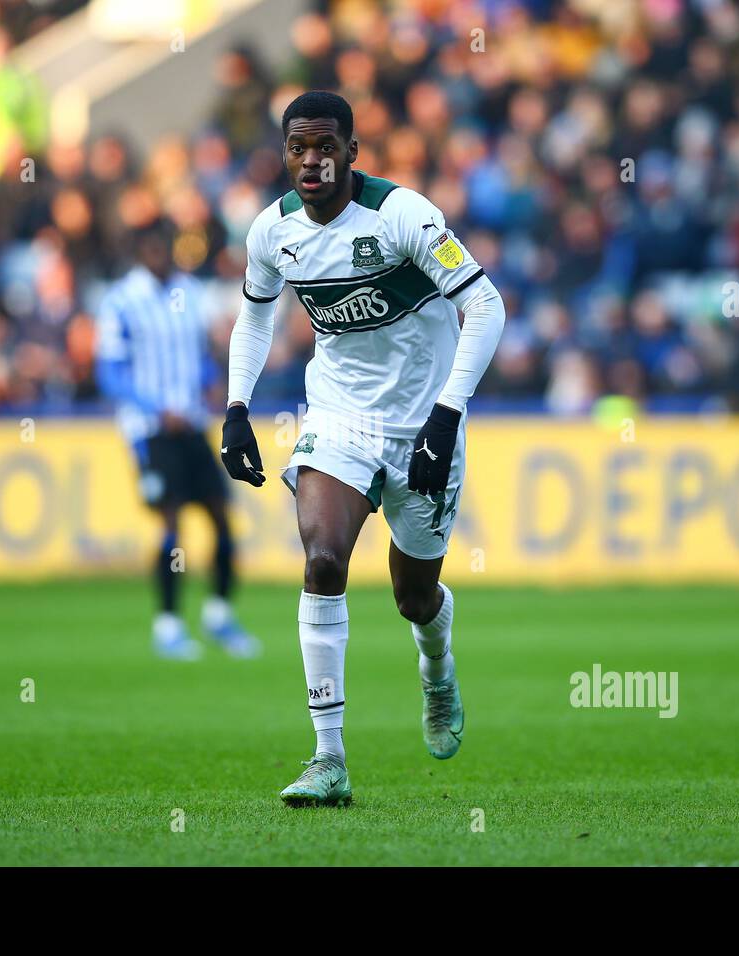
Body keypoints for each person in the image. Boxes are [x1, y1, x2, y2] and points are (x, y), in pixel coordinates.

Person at [220, 91, 505, 806]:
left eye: (324, 146)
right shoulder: (272, 233)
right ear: (284, 153)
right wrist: (235, 407)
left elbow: (486, 305)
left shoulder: (403, 215)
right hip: (339, 418)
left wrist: (447, 414)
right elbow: (254, 320)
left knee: (414, 596)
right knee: (321, 559)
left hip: (423, 425)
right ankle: (328, 758)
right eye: (296, 147)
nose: (310, 160)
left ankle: (437, 671)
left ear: (351, 152)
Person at [96, 220, 259, 660]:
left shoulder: (191, 294)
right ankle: (167, 623)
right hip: (151, 431)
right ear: (138, 252)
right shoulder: (121, 302)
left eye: (164, 247)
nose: (160, 255)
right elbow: (109, 372)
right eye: (151, 248)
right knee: (171, 522)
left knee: (221, 517)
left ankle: (220, 615)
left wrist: (210, 383)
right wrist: (153, 407)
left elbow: (199, 358)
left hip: (190, 425)